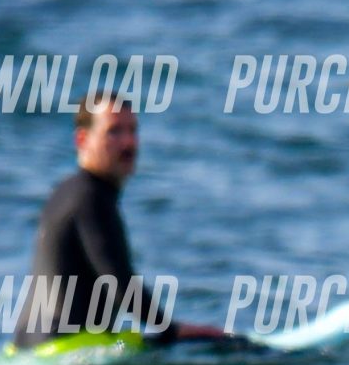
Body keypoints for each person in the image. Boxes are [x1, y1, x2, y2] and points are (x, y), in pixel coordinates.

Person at [11, 94, 225, 349]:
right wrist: (171, 330)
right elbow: (119, 283)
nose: (128, 142)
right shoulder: (90, 198)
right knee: (221, 346)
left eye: (132, 130)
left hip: (27, 348)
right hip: (70, 347)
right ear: (82, 140)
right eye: (114, 132)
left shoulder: (67, 192)